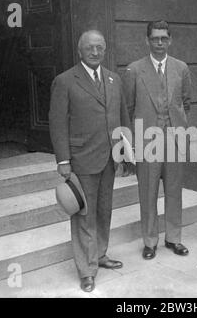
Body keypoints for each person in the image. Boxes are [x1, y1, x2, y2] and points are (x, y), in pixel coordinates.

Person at [49, 30, 130, 292]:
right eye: (90, 48)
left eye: (100, 48)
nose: (95, 52)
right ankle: (86, 270)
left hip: (109, 158)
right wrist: (63, 160)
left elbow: (123, 117)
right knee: (84, 214)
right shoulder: (65, 81)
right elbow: (57, 123)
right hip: (81, 159)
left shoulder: (114, 79)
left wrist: (125, 152)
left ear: (105, 50)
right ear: (79, 50)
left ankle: (100, 254)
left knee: (104, 210)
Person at [123, 20, 192, 260]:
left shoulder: (181, 68)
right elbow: (128, 109)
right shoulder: (134, 70)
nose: (159, 43)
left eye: (163, 38)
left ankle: (174, 238)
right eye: (155, 38)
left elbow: (185, 102)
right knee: (148, 193)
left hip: (174, 142)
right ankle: (150, 242)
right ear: (147, 41)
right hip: (147, 143)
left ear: (170, 40)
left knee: (174, 192)